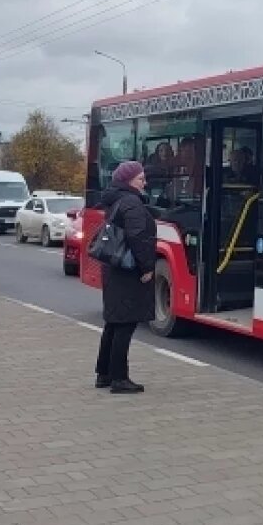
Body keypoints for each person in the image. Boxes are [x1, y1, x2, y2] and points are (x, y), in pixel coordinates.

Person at [95, 160, 157, 394]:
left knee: (114, 321)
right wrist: (147, 267)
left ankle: (104, 374)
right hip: (127, 270)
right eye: (141, 179)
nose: (145, 182)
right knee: (125, 323)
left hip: (114, 268)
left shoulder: (117, 199)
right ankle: (119, 378)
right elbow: (138, 237)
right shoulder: (132, 202)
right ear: (128, 181)